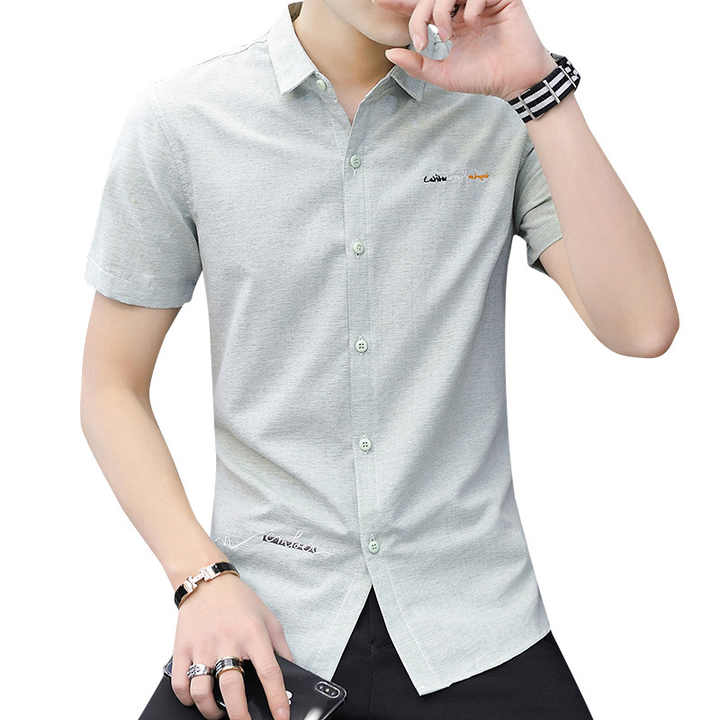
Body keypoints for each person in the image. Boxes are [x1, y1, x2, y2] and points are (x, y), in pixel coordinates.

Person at [80, 1, 679, 719]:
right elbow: (111, 388)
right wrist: (199, 579)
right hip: (267, 625)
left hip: (475, 623)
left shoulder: (503, 110)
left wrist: (538, 88)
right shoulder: (184, 118)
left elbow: (643, 327)